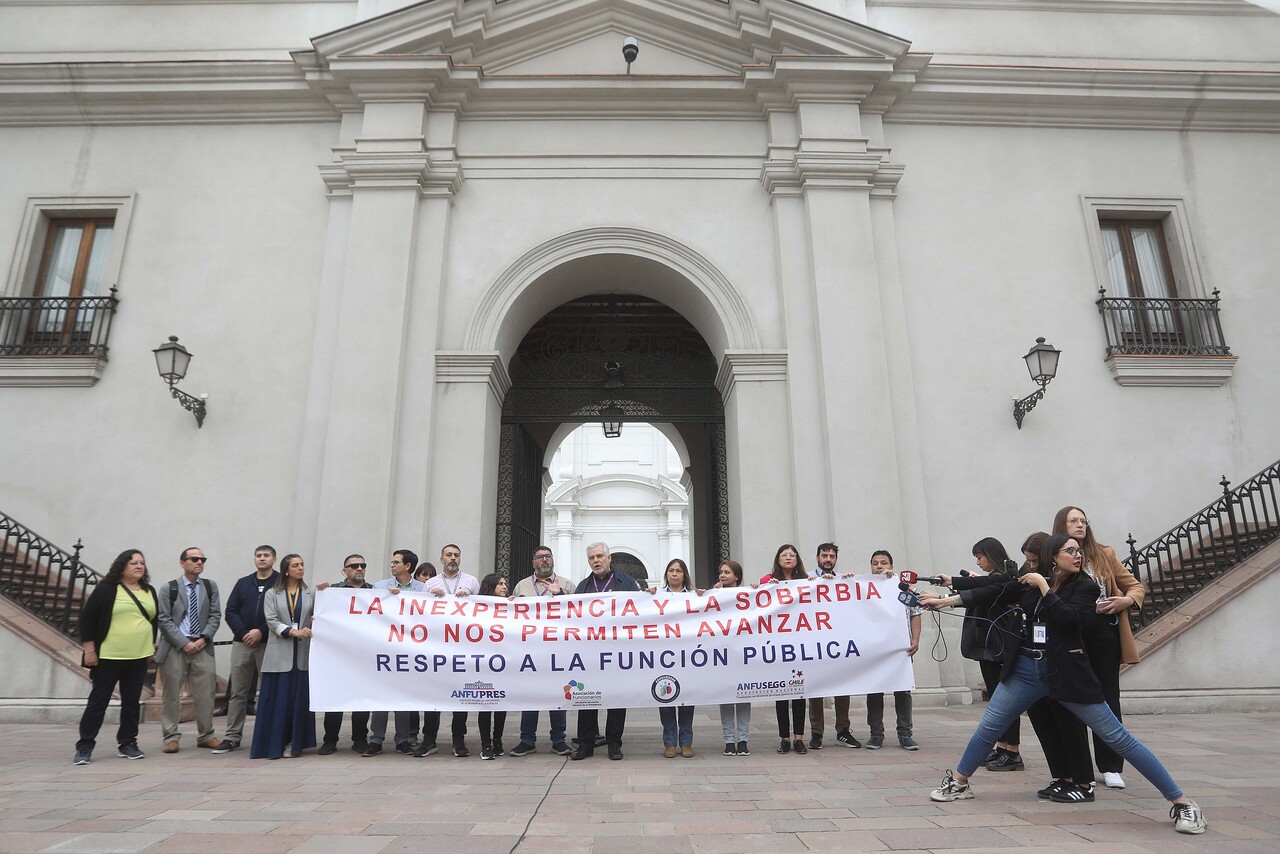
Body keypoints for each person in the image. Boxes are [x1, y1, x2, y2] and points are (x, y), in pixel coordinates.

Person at [920, 536, 1207, 835]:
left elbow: (1068, 618)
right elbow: (994, 591)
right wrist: (943, 601)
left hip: (1067, 675)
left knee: (1117, 738)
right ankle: (959, 781)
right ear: (1053, 558)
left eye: (1078, 551)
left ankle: (1182, 802)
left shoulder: (1085, 587)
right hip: (1025, 671)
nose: (1077, 554)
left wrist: (1044, 588)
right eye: (1069, 551)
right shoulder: (1030, 582)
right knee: (989, 727)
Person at [1054, 505, 1146, 790]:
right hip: (1069, 634)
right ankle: (1078, 768)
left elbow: (1135, 586)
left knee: (1107, 698)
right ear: (1062, 525)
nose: (1080, 525)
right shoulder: (1053, 555)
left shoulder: (1104, 555)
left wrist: (1125, 601)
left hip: (1102, 635)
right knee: (1071, 701)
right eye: (1073, 520)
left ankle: (1110, 765)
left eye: (1083, 520)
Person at [935, 538, 1023, 771]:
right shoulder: (994, 576)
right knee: (996, 699)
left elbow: (989, 586)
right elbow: (981, 588)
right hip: (988, 645)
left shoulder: (1005, 576)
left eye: (980, 556)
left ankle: (1012, 751)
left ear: (991, 554)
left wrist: (952, 583)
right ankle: (1002, 747)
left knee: (1005, 701)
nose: (978, 561)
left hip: (999, 645)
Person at [74, 549, 159, 765]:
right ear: (122, 566)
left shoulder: (149, 591)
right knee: (98, 703)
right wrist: (90, 650)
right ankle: (85, 746)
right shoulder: (107, 589)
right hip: (109, 657)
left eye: (142, 563)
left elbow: (152, 621)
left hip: (138, 657)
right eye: (133, 563)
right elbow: (88, 620)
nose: (139, 566)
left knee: (131, 703)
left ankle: (128, 743)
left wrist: (149, 647)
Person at [571, 541, 641, 761]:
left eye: (599, 556)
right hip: (589, 653)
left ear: (609, 558)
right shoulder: (583, 586)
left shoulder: (627, 583)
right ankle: (585, 744)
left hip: (617, 652)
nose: (596, 561)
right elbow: (571, 616)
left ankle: (614, 744)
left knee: (616, 699)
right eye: (592, 558)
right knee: (586, 698)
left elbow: (640, 611)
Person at [213, 545, 279, 754]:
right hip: (242, 644)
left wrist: (260, 631)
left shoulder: (280, 583)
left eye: (266, 555)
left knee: (269, 693)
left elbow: (282, 613)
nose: (262, 559)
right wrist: (244, 633)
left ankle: (267, 736)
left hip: (269, 644)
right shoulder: (243, 583)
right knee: (237, 693)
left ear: (274, 559)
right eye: (258, 556)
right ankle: (232, 736)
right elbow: (231, 611)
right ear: (254, 559)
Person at [509, 546, 574, 757]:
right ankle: (527, 740)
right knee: (531, 695)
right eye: (539, 557)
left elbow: (579, 613)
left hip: (559, 650)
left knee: (558, 694)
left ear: (553, 560)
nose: (544, 560)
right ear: (533, 562)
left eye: (548, 556)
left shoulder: (566, 584)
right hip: (531, 651)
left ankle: (559, 740)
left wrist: (561, 594)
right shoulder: (522, 586)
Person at [250, 553, 317, 759]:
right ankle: (272, 744)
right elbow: (270, 619)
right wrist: (290, 631)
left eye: (302, 564)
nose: (300, 568)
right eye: (296, 565)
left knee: (297, 702)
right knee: (277, 702)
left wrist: (316, 619)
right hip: (279, 652)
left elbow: (316, 615)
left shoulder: (309, 593)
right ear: (286, 570)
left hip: (302, 654)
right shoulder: (273, 593)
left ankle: (294, 743)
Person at [156, 546, 222, 753]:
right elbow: (163, 619)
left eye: (202, 559)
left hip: (202, 646)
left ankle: (206, 735)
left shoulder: (210, 587)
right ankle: (170, 737)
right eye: (194, 559)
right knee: (171, 694)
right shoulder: (169, 588)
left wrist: (204, 638)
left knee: (205, 693)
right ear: (182, 563)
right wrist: (183, 642)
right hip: (176, 647)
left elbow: (215, 615)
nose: (199, 562)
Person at [365, 549, 427, 757]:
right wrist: (387, 600)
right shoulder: (380, 587)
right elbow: (371, 614)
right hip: (385, 647)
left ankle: (402, 739)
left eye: (396, 562)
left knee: (403, 695)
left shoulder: (422, 588)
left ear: (407, 566)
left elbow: (429, 615)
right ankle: (376, 739)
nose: (392, 565)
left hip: (410, 649)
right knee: (381, 694)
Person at [420, 543, 479, 757]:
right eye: (449, 555)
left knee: (461, 694)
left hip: (463, 647)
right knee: (433, 695)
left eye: (456, 555)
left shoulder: (471, 581)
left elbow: (484, 610)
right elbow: (419, 612)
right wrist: (429, 598)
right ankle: (429, 739)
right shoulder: (430, 583)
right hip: (436, 647)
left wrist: (470, 598)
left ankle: (458, 739)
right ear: (441, 558)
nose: (453, 558)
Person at [315, 554, 373, 754]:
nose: (359, 569)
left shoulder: (375, 592)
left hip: (363, 655)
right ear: (344, 570)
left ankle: (360, 739)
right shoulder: (333, 592)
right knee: (335, 697)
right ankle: (330, 740)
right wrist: (320, 594)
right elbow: (317, 614)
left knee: (362, 698)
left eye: (362, 565)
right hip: (337, 654)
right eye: (354, 565)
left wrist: (392, 595)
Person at [865, 549, 921, 750]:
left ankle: (905, 734)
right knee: (874, 692)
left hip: (900, 648)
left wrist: (915, 639)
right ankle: (876, 734)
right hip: (875, 650)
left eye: (883, 562)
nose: (879, 566)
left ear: (891, 566)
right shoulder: (862, 588)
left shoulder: (903, 588)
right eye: (875, 563)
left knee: (902, 691)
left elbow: (915, 613)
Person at [807, 542, 858, 750]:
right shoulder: (807, 578)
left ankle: (843, 731)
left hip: (838, 642)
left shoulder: (842, 580)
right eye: (824, 555)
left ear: (836, 559)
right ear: (817, 557)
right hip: (813, 641)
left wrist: (850, 583)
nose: (828, 559)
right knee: (815, 688)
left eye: (831, 556)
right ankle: (816, 733)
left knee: (842, 686)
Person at [761, 543, 809, 755]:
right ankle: (784, 738)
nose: (788, 558)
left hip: (800, 644)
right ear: (778, 559)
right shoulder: (768, 580)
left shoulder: (808, 582)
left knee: (799, 692)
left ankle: (799, 737)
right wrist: (764, 588)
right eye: (784, 555)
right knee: (781, 691)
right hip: (778, 644)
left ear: (797, 560)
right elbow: (755, 600)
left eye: (792, 555)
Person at [654, 558, 697, 758]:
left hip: (688, 655)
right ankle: (669, 742)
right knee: (666, 696)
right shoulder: (658, 597)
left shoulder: (695, 596)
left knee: (687, 698)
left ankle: (686, 742)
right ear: (666, 575)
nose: (674, 574)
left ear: (684, 575)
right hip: (665, 655)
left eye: (678, 571)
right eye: (671, 570)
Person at [714, 559, 751, 756]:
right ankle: (729, 740)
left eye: (727, 572)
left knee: (744, 696)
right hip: (723, 654)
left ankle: (743, 739)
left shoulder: (747, 595)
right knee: (726, 697)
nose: (723, 575)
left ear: (736, 576)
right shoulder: (714, 595)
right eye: (721, 572)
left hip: (742, 653)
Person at [477, 573, 511, 760]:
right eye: (499, 584)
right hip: (484, 662)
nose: (504, 587)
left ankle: (497, 741)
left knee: (501, 704)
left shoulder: (510, 606)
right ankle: (485, 744)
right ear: (490, 587)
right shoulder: (479, 607)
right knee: (485, 704)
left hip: (503, 662)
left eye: (505, 583)